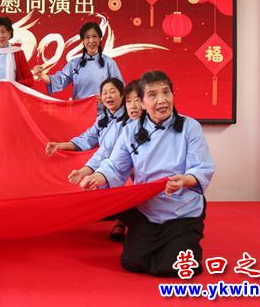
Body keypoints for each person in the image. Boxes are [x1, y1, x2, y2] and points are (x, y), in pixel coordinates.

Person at [79, 71, 215, 277]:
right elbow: (115, 165)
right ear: (142, 103)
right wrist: (96, 177)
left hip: (183, 210)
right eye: (152, 95)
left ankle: (181, 242)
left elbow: (201, 167)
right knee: (133, 262)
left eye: (166, 92)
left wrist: (185, 180)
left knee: (175, 267)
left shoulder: (190, 127)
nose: (162, 100)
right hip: (148, 209)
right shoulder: (130, 130)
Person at [67, 80, 142, 241]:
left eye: (112, 91)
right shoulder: (108, 121)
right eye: (105, 92)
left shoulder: (138, 123)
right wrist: (88, 173)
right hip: (126, 169)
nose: (133, 105)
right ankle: (121, 221)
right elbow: (110, 156)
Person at [32, 21, 124, 106]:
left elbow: (119, 89)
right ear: (82, 41)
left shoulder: (109, 63)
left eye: (94, 36)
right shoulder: (74, 64)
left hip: (104, 113)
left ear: (100, 39)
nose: (91, 41)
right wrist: (41, 75)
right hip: (81, 111)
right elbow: (60, 80)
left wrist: (105, 98)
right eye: (87, 37)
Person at [45, 78, 124, 156]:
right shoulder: (101, 119)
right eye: (105, 93)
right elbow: (86, 139)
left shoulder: (128, 118)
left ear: (122, 95)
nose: (108, 96)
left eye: (112, 92)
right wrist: (59, 146)